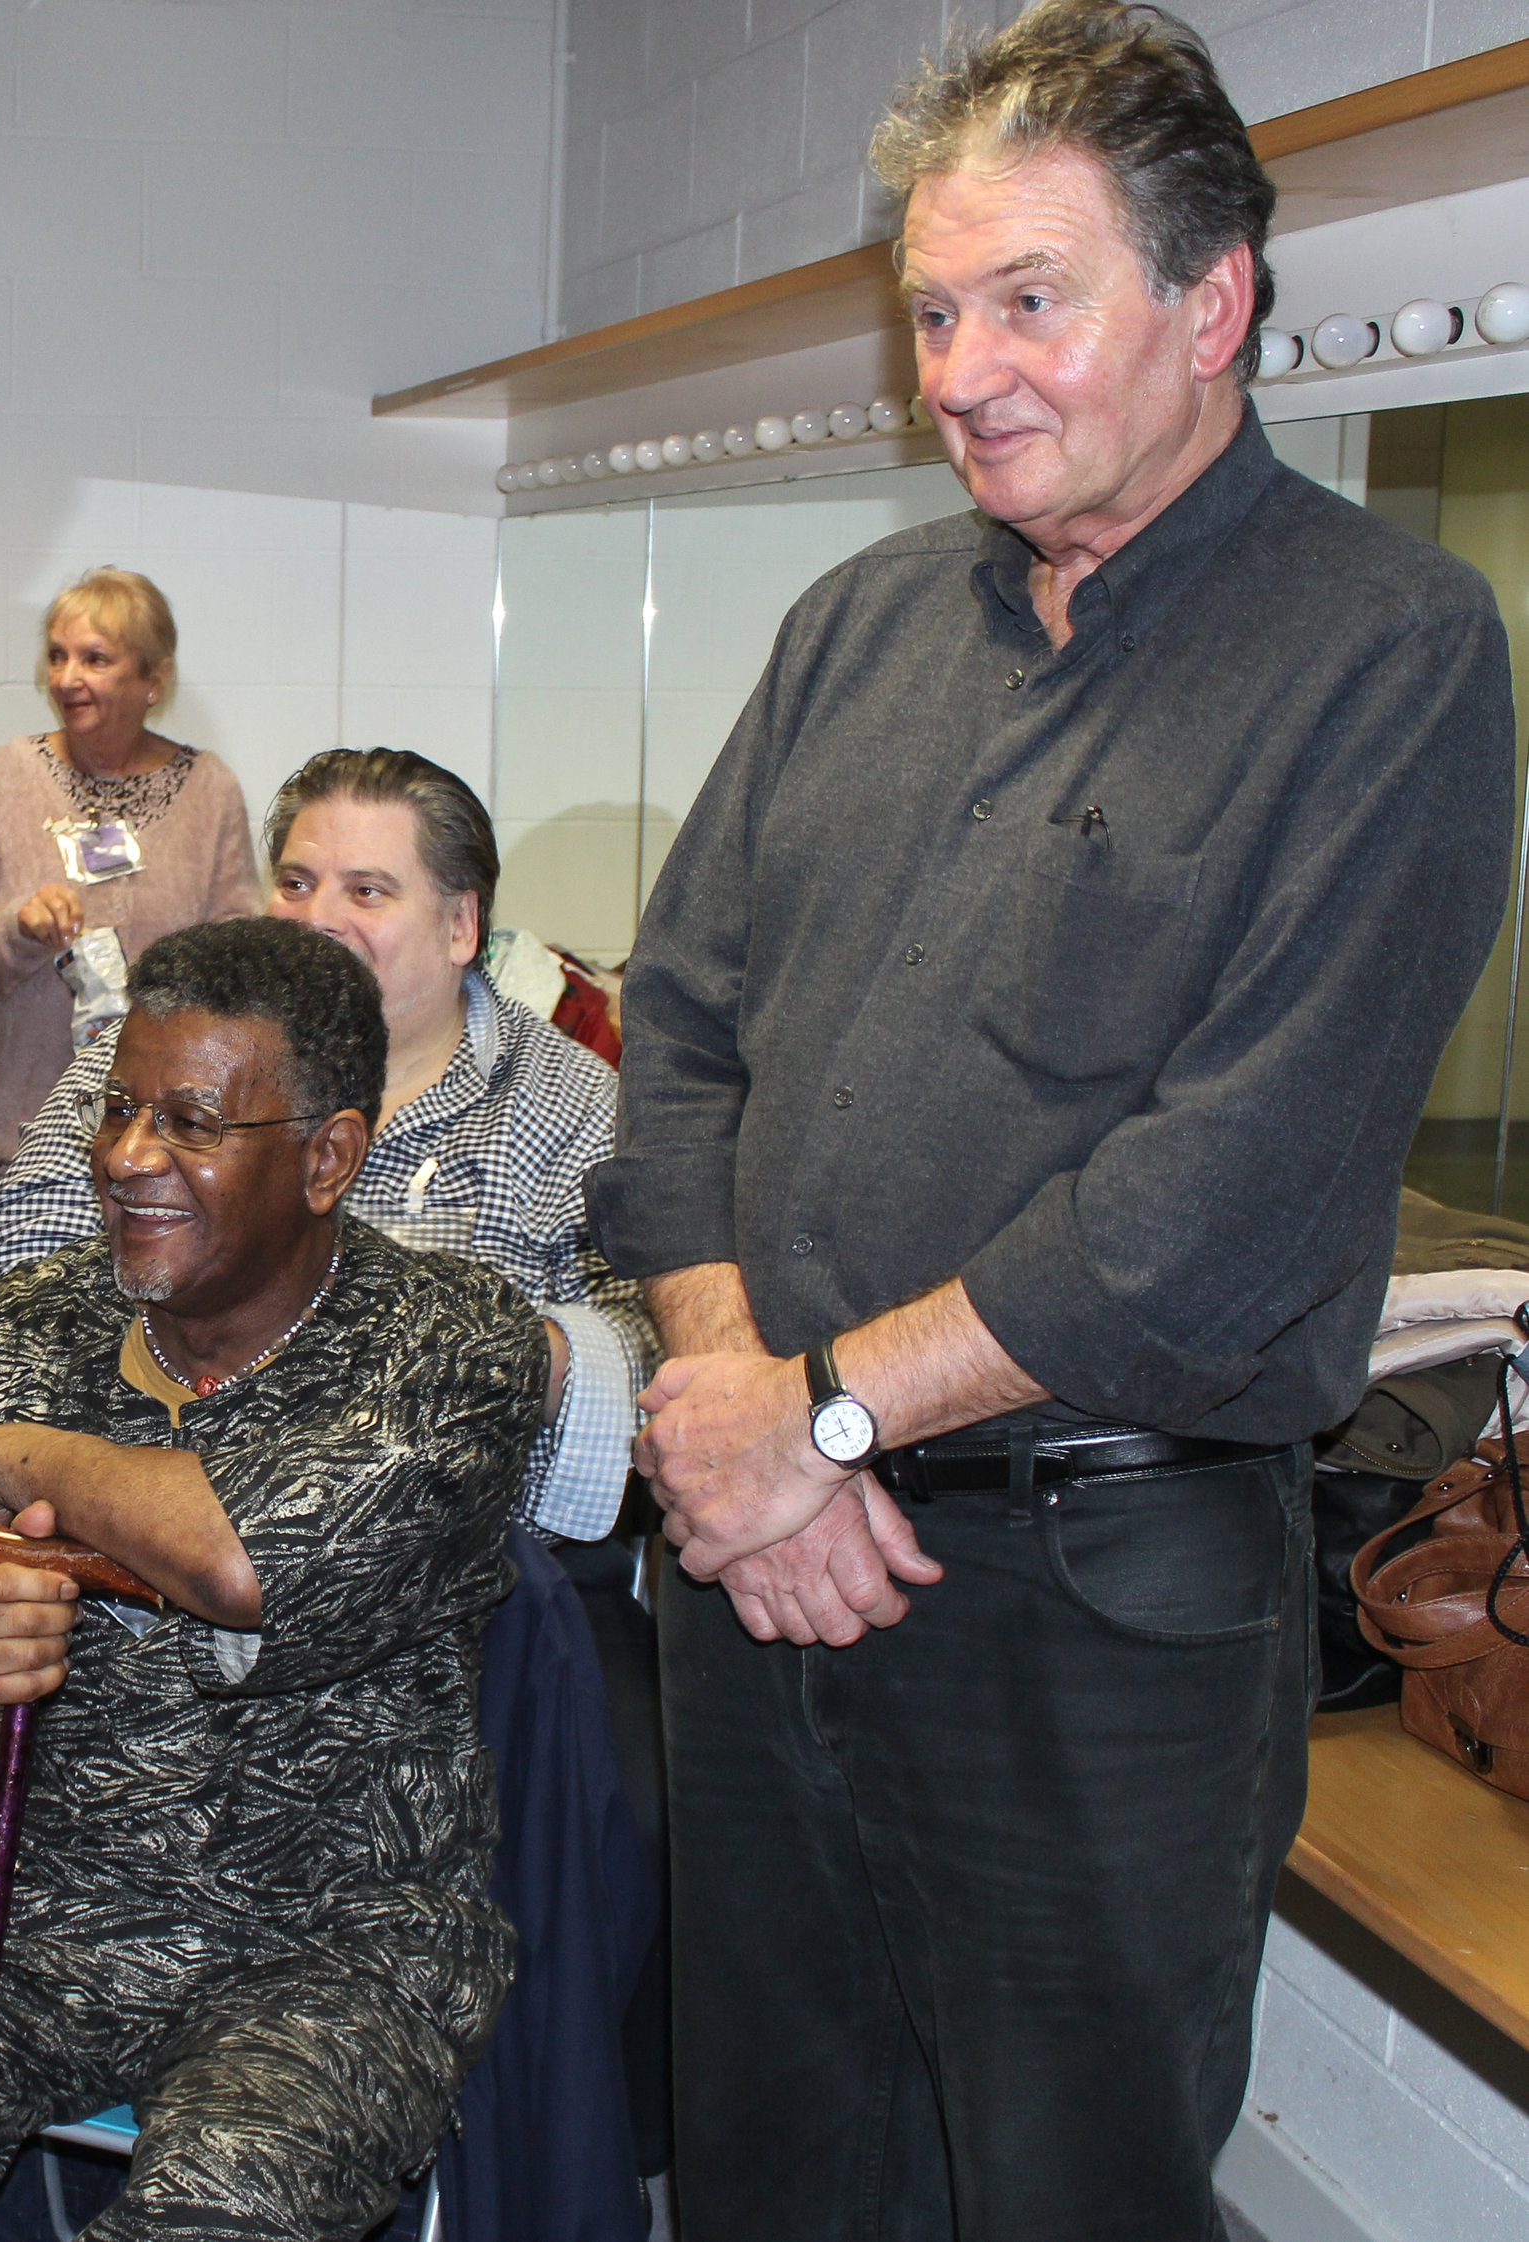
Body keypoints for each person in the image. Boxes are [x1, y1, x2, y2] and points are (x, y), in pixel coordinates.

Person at [587, 7, 1516, 2237]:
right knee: (767, 2163)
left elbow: (1211, 1197)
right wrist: (737, 1405)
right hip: (761, 1554)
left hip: (1090, 1597)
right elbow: (680, 1033)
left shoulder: (1385, 649)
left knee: (1059, 2186)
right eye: (930, 310)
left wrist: (804, 1424)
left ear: (1211, 303)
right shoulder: (850, 625)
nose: (959, 371)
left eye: (1027, 300)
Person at [0, 918, 545, 2240]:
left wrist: (11, 1460)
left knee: (229, 2195)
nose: (128, 1158)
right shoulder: (23, 1327)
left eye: (192, 1122)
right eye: (117, 1108)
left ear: (331, 1156)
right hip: (12, 1901)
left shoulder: (453, 1343)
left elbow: (250, 1555)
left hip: (325, 1943)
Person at [0, 747, 655, 1545]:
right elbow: (3, 1273)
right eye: (295, 883)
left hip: (448, 1572)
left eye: (367, 891)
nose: (318, 917)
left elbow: (641, 1358)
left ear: (461, 925)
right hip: (132, 1525)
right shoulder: (148, 1058)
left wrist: (452, 1357)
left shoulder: (574, 1110)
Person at [0, 567, 261, 1207]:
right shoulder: (8, 775)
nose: (67, 677)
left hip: (168, 1145)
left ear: (152, 681)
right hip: (28, 1136)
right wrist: (16, 926)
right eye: (57, 655)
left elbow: (241, 963)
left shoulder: (209, 790)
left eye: (95, 659)